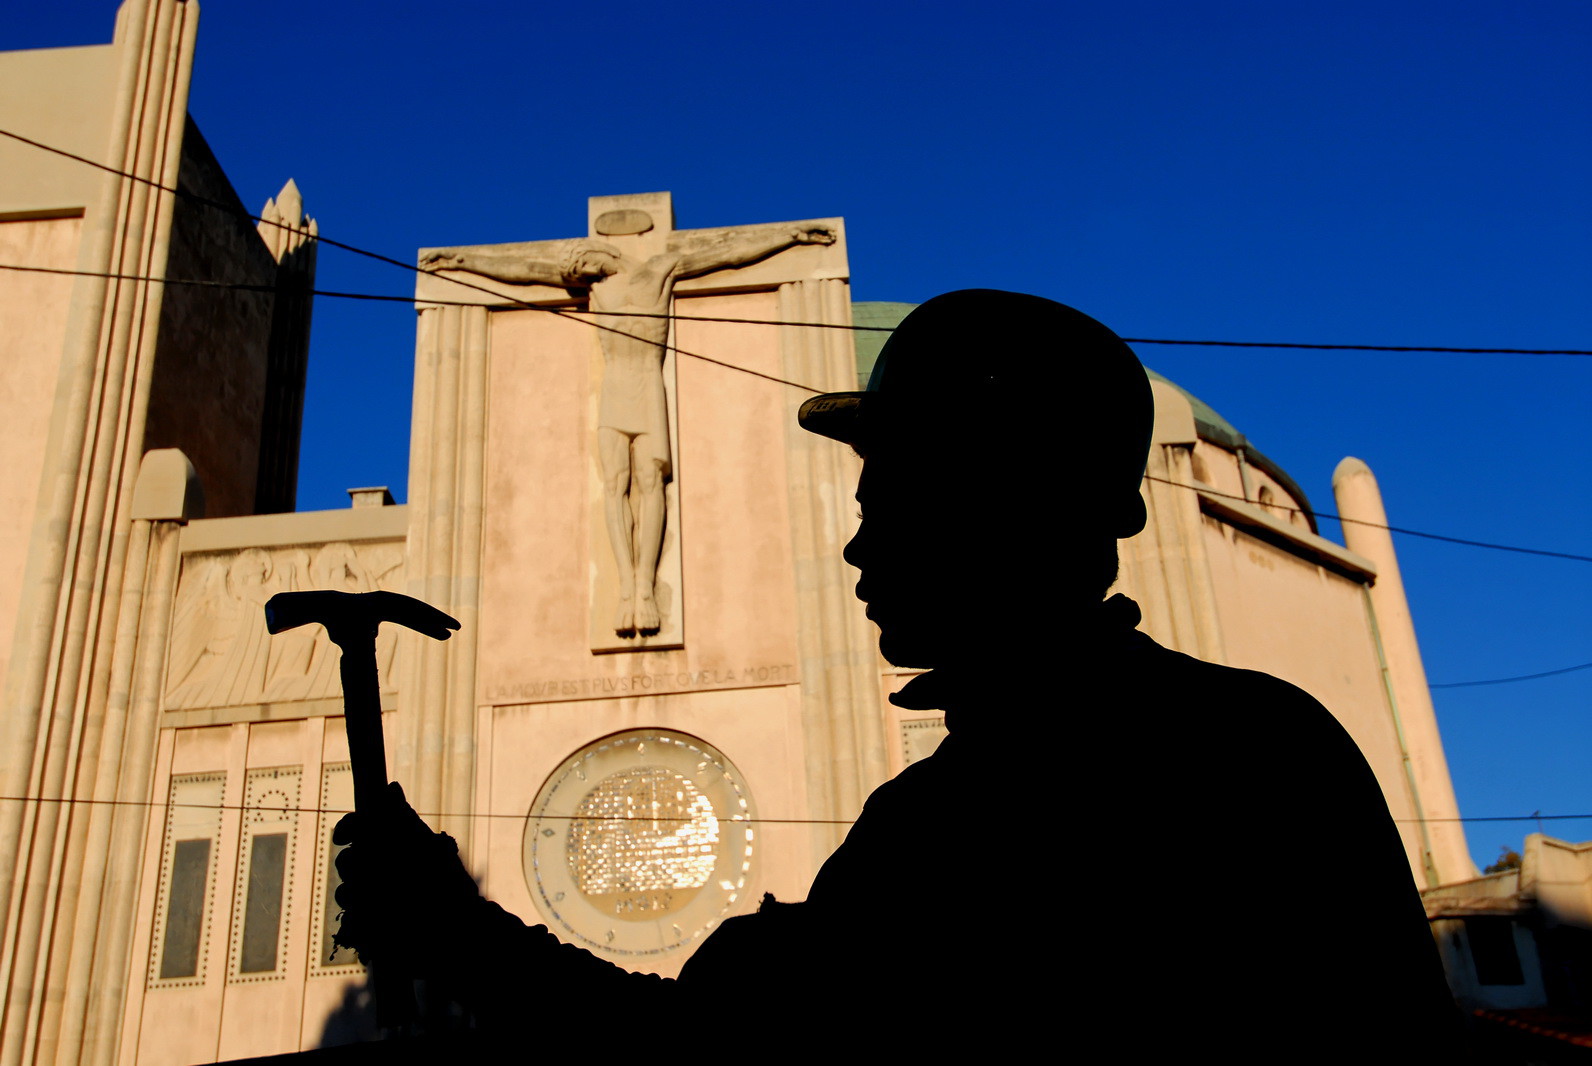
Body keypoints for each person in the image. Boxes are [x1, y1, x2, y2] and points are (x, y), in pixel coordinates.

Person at [334, 290, 1461, 1055]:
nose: (858, 549)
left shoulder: (988, 813)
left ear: (1006, 506)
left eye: (893, 508)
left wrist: (459, 935)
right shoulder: (1264, 736)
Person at [421, 226, 834, 635]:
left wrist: (791, 239)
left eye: (582, 261)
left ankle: (646, 586)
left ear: (602, 251)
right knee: (615, 483)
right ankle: (626, 587)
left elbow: (726, 254)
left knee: (650, 481)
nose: (579, 271)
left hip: (648, 388)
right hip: (615, 392)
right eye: (575, 269)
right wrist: (465, 263)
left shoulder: (660, 269)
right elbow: (527, 270)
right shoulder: (596, 288)